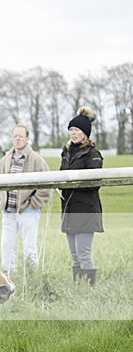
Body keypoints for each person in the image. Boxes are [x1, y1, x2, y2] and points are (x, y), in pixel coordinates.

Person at [0, 125, 52, 272]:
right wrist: (1, 201)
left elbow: (47, 184)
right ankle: (8, 274)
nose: (18, 139)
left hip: (28, 211)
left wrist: (33, 204)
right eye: (15, 136)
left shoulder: (36, 159)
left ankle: (32, 275)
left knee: (29, 245)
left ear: (27, 138)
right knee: (7, 245)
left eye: (21, 136)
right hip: (8, 211)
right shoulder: (6, 159)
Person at [59, 106, 103, 285]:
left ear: (85, 133)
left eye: (76, 129)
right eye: (70, 129)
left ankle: (89, 289)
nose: (73, 133)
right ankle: (79, 289)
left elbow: (94, 184)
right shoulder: (67, 152)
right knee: (75, 256)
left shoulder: (93, 154)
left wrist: (71, 184)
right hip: (69, 210)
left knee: (84, 253)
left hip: (85, 210)